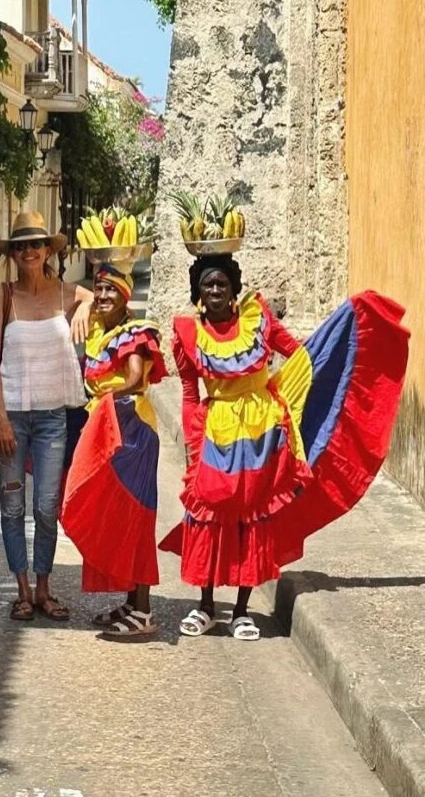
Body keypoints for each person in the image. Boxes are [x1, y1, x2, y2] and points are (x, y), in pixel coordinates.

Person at [160, 253, 409, 641]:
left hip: (264, 431)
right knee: (209, 509)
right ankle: (206, 605)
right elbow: (191, 393)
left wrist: (339, 337)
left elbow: (301, 354)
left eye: (221, 284)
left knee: (253, 513)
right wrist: (194, 442)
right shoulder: (189, 336)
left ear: (233, 289)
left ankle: (242, 610)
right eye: (208, 285)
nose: (214, 290)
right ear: (199, 292)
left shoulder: (259, 320)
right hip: (218, 431)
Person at [0, 211, 92, 623]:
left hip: (52, 418)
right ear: (12, 253)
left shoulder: (66, 293)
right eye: (20, 245)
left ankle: (45, 588)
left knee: (47, 506)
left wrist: (82, 306)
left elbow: (100, 293)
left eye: (35, 244)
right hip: (10, 415)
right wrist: (2, 418)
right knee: (13, 508)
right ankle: (23, 591)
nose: (28, 251)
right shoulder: (1, 296)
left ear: (48, 250)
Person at [61, 264, 167, 642]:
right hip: (107, 430)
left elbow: (136, 378)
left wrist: (108, 397)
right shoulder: (99, 332)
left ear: (126, 296)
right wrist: (86, 303)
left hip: (132, 433)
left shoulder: (133, 333)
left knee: (135, 518)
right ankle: (130, 601)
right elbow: (60, 293)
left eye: (111, 290)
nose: (103, 296)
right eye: (99, 289)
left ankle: (143, 610)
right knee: (117, 516)